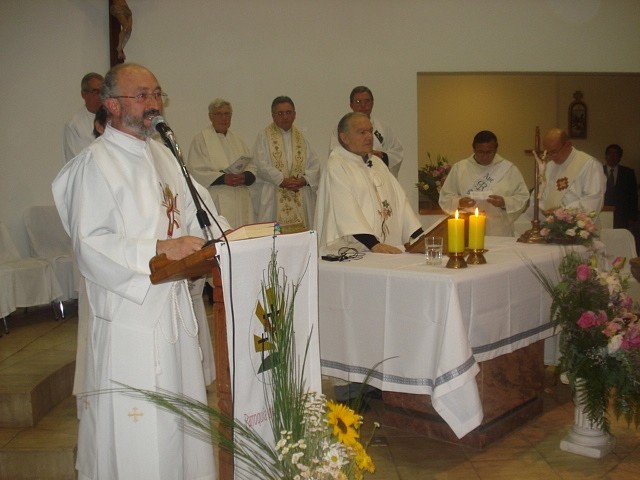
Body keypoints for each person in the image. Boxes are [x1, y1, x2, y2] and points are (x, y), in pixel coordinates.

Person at [52, 63, 228, 480]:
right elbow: (91, 244)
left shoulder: (164, 156)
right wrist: (160, 248)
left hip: (174, 315)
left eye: (157, 94)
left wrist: (227, 241)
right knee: (142, 428)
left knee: (182, 427)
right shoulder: (93, 165)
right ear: (112, 105)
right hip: (131, 318)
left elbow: (200, 215)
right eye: (143, 95)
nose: (154, 104)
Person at [316, 112, 424, 254]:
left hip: (385, 249)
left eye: (370, 131)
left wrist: (420, 237)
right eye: (362, 132)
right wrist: (374, 245)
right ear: (344, 138)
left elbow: (400, 202)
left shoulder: (377, 163)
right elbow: (346, 211)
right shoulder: (337, 165)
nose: (369, 136)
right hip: (354, 251)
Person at [438, 130, 529, 236]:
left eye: (489, 152)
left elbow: (523, 197)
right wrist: (459, 202)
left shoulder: (508, 169)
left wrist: (504, 202)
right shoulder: (460, 168)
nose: (485, 156)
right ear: (474, 149)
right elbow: (445, 197)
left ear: (496, 149)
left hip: (499, 230)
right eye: (480, 152)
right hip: (468, 229)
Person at [187, 98, 256, 229]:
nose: (224, 118)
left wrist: (245, 176)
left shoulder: (237, 140)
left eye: (227, 114)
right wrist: (224, 178)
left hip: (240, 199)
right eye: (219, 114)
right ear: (210, 117)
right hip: (218, 197)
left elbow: (251, 165)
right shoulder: (201, 140)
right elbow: (196, 171)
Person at [252, 96, 319, 229]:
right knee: (275, 238)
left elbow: (314, 164)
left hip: (299, 192)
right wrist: (281, 180)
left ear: (294, 115)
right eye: (280, 113)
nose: (285, 117)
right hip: (274, 194)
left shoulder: (302, 138)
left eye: (289, 112)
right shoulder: (264, 136)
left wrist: (303, 180)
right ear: (273, 116)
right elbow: (260, 164)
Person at [527, 128, 605, 217]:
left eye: (554, 152)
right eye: (548, 153)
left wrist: (561, 212)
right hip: (549, 225)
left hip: (576, 227)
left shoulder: (589, 164)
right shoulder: (549, 166)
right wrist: (541, 210)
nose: (551, 157)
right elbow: (538, 193)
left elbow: (593, 200)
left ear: (568, 145)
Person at [329, 86, 404, 177]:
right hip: (353, 176)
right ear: (351, 105)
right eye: (358, 102)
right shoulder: (342, 128)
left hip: (379, 177)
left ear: (372, 103)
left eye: (367, 101)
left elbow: (397, 153)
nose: (363, 105)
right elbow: (336, 153)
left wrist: (382, 156)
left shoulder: (384, 128)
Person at [63, 72, 104, 162]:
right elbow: (74, 161)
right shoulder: (74, 125)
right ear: (84, 94)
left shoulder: (114, 119)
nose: (101, 96)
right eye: (96, 92)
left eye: (103, 92)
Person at [603, 143, 637, 229]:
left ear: (620, 157)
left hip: (622, 215)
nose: (612, 156)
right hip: (602, 212)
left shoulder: (628, 173)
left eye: (616, 153)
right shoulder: (598, 171)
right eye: (610, 153)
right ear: (605, 156)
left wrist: (632, 217)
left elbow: (633, 196)